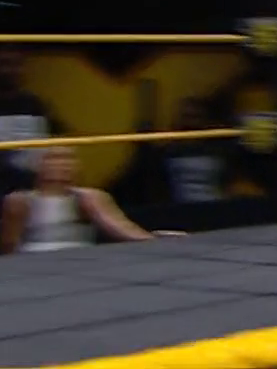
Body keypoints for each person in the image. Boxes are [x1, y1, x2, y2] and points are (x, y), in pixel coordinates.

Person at [0, 146, 178, 253]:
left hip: (80, 259)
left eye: (68, 158)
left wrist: (154, 241)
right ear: (38, 164)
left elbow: (119, 227)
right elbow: (9, 246)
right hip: (34, 263)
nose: (61, 164)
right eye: (53, 158)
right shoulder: (19, 201)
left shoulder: (89, 197)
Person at [0, 45, 59, 196]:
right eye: (4, 63)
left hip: (29, 187)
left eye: (16, 64)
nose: (9, 70)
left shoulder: (34, 104)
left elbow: (46, 149)